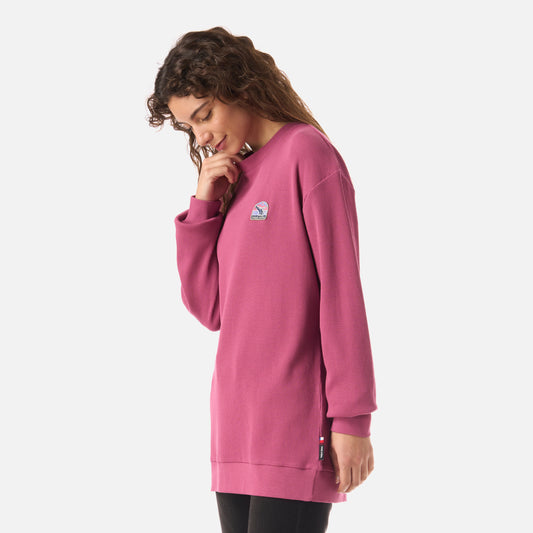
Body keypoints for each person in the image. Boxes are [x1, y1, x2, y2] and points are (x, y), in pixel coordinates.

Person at [146, 26, 377, 533]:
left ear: (237, 85)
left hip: (293, 426)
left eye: (203, 115)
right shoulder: (239, 175)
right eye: (188, 127)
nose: (200, 136)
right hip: (235, 425)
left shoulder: (307, 153)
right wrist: (203, 205)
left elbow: (341, 294)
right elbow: (211, 308)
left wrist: (352, 419)